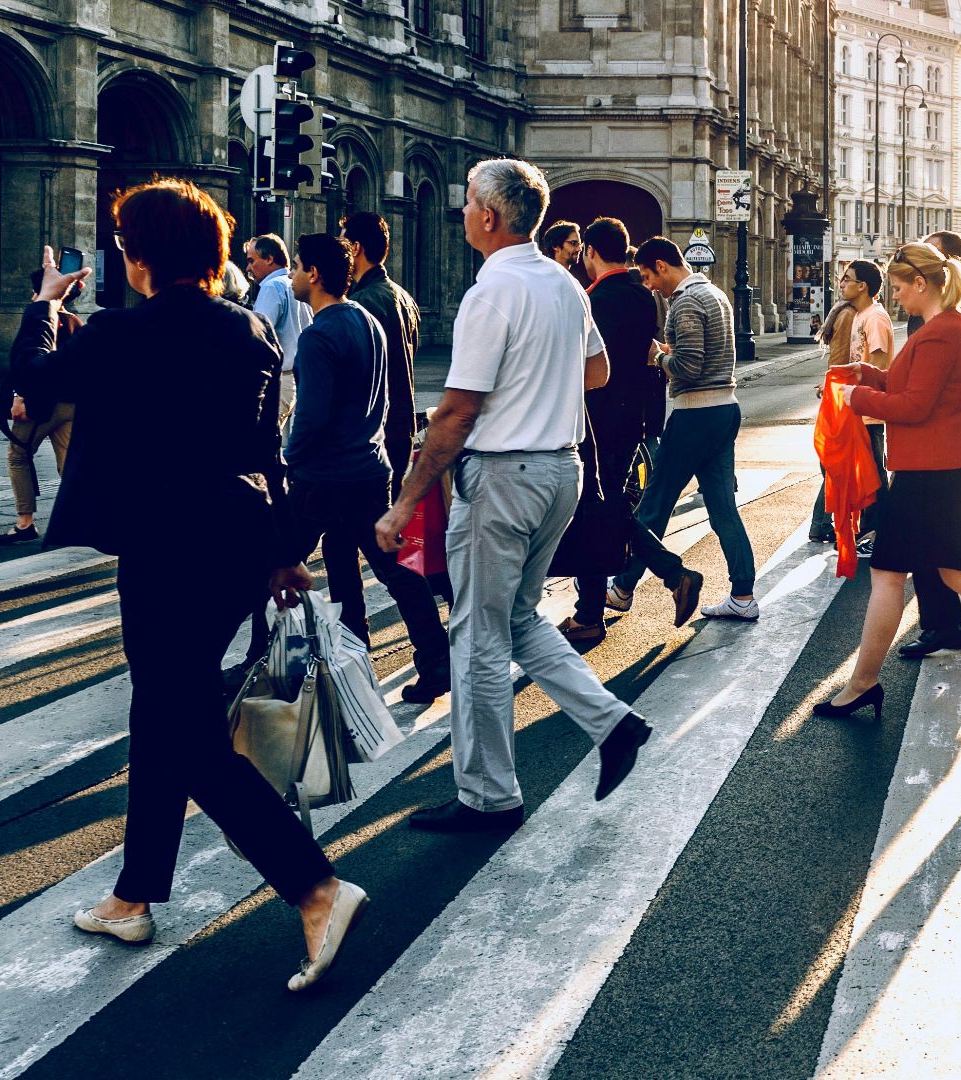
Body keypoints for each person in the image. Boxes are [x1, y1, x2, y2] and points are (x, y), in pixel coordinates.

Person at [14, 179, 364, 989]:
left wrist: (44, 303)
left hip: (165, 550)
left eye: (124, 244)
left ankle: (316, 888)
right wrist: (284, 550)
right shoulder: (248, 328)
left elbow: (32, 377)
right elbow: (265, 449)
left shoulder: (121, 333)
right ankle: (132, 895)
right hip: (236, 545)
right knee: (164, 709)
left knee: (187, 735)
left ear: (141, 255)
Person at [373, 158, 653, 833]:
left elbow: (457, 411)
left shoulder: (491, 292)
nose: (463, 211)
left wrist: (405, 502)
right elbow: (597, 372)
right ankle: (612, 723)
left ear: (489, 216)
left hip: (503, 476)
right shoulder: (565, 285)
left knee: (476, 637)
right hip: (560, 470)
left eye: (468, 201)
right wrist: (538, 386)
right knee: (519, 618)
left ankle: (488, 796)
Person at [814, 242, 961, 717]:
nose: (896, 296)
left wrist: (858, 399)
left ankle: (862, 683)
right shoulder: (947, 326)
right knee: (960, 573)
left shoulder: (942, 332)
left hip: (932, 474)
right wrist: (867, 374)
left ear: (921, 284)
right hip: (945, 470)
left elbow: (915, 406)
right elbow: (915, 386)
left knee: (888, 573)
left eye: (900, 287)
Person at [282, 232, 451, 700]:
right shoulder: (367, 320)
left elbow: (311, 417)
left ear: (314, 273)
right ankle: (432, 659)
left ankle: (259, 662)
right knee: (391, 567)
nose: (293, 275)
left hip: (324, 476)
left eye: (297, 266)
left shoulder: (318, 335)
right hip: (369, 467)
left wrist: (291, 461)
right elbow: (387, 395)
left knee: (275, 561)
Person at [556, 217, 702, 646]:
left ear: (591, 252)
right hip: (631, 418)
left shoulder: (594, 300)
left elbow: (587, 367)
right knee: (606, 507)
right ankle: (596, 609)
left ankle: (604, 607)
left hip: (597, 421)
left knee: (597, 510)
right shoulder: (643, 296)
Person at [610, 235, 759, 620]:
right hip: (724, 408)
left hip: (695, 414)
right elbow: (703, 356)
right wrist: (671, 353)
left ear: (662, 265)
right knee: (723, 508)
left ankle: (623, 588)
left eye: (648, 275)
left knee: (655, 503)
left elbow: (689, 368)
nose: (649, 285)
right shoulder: (716, 294)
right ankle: (743, 595)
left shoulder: (686, 301)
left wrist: (657, 357)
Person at [897, 230, 961, 659]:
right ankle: (948, 625)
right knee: (942, 545)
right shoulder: (941, 309)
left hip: (958, 441)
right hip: (949, 441)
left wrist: (869, 397)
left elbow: (936, 386)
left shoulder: (959, 311)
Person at [340, 211, 421, 504]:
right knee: (387, 514)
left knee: (357, 519)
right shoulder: (404, 297)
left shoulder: (360, 303)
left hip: (372, 432)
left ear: (356, 248)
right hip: (401, 425)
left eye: (343, 243)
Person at [0, 269, 80, 546]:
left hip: (40, 406)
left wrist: (19, 396)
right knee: (69, 464)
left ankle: (25, 523)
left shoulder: (38, 321)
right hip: (71, 406)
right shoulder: (76, 322)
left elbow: (25, 365)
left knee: (18, 456)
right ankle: (77, 520)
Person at [840, 259, 895, 555]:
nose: (841, 283)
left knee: (874, 477)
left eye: (847, 279)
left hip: (871, 411)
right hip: (861, 408)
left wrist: (861, 394)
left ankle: (879, 535)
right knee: (866, 475)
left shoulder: (875, 317)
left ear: (862, 286)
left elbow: (878, 363)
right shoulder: (861, 315)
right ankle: (870, 532)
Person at [246, 233, 311, 425]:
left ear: (269, 259)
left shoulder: (272, 286)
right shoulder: (297, 284)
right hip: (299, 378)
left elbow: (258, 336)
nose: (248, 268)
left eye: (251, 261)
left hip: (281, 381)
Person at [810, 291, 857, 544]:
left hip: (838, 391)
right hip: (842, 395)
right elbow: (840, 358)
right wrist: (834, 384)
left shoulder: (845, 311)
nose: (843, 284)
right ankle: (821, 523)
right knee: (836, 465)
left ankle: (824, 522)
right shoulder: (848, 314)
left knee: (834, 464)